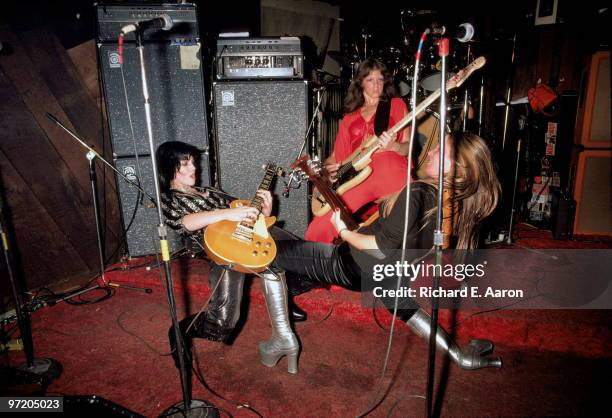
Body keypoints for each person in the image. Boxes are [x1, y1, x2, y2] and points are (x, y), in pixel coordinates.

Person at [272, 132, 503, 369]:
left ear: (457, 167)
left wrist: (343, 232)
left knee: (272, 253)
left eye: (439, 150)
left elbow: (382, 248)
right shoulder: (454, 202)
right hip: (391, 271)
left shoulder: (418, 193)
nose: (431, 152)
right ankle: (460, 357)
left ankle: (282, 337)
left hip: (354, 266)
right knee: (406, 309)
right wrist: (360, 228)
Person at [156, 141, 300, 374]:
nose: (193, 168)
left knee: (295, 253)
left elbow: (247, 214)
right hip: (221, 251)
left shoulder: (212, 190)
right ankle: (180, 330)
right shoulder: (168, 199)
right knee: (222, 324)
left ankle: (283, 329)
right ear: (168, 167)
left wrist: (265, 211)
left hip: (246, 240)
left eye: (194, 162)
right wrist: (229, 213)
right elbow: (186, 223)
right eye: (185, 163)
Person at [305, 58, 412, 244]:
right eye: (370, 80)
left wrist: (394, 146)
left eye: (380, 79)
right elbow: (337, 158)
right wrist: (324, 172)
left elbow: (408, 147)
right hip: (358, 176)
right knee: (319, 228)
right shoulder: (350, 117)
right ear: (360, 82)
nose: (377, 85)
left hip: (391, 168)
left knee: (415, 215)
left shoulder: (396, 105)